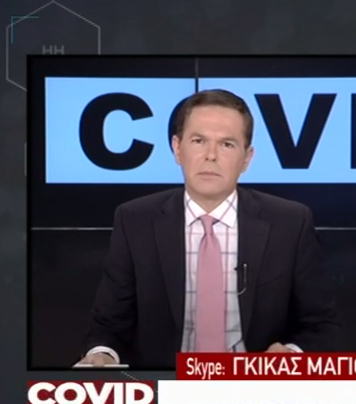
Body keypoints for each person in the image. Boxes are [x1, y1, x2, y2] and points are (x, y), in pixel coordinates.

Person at [77, 89, 341, 369]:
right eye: (199, 141)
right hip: (165, 383)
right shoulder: (135, 221)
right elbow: (109, 324)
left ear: (247, 158)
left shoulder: (289, 223)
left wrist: (291, 353)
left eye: (226, 144)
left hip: (254, 383)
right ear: (177, 149)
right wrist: (101, 355)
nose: (211, 155)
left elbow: (321, 325)